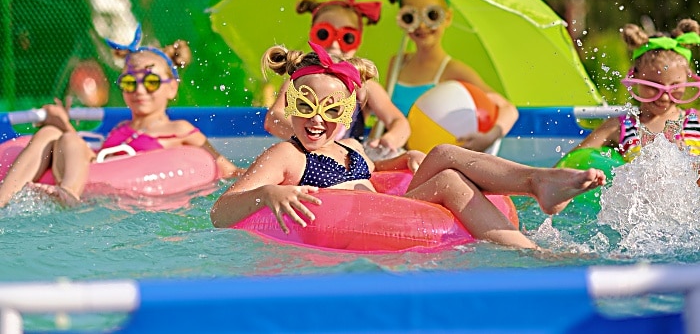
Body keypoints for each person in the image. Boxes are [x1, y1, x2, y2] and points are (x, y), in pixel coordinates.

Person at [211, 42, 605, 250]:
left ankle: (538, 182)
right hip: (365, 223)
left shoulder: (348, 146)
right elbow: (220, 212)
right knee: (449, 177)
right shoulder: (287, 154)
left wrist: (405, 158)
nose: (316, 119)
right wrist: (268, 193)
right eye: (305, 106)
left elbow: (376, 176)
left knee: (441, 156)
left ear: (348, 111)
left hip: (391, 208)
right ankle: (530, 241)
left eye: (331, 109)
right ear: (291, 104)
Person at [0, 26, 244, 207]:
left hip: (122, 197)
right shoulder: (120, 129)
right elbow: (87, 159)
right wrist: (61, 124)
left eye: (150, 81)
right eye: (129, 82)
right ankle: (3, 200)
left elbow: (225, 168)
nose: (139, 90)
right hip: (94, 176)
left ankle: (68, 195)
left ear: (172, 87)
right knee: (51, 133)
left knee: (65, 136)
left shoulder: (179, 129)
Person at [264, 0, 411, 156]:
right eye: (324, 34)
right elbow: (273, 119)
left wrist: (389, 140)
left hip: (345, 164)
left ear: (358, 41)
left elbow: (399, 122)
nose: (334, 44)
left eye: (347, 37)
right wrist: (314, 138)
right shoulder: (298, 80)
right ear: (312, 34)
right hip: (305, 160)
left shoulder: (364, 87)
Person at [385, 0, 519, 153]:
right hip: (399, 156)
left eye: (432, 16)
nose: (422, 26)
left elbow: (508, 108)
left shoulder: (453, 70)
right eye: (411, 17)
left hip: (434, 160)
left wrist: (489, 137)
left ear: (447, 17)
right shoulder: (398, 63)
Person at [573, 19, 700, 161]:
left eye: (675, 87)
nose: (664, 97)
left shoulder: (697, 122)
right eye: (653, 86)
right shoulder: (620, 127)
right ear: (634, 77)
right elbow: (572, 163)